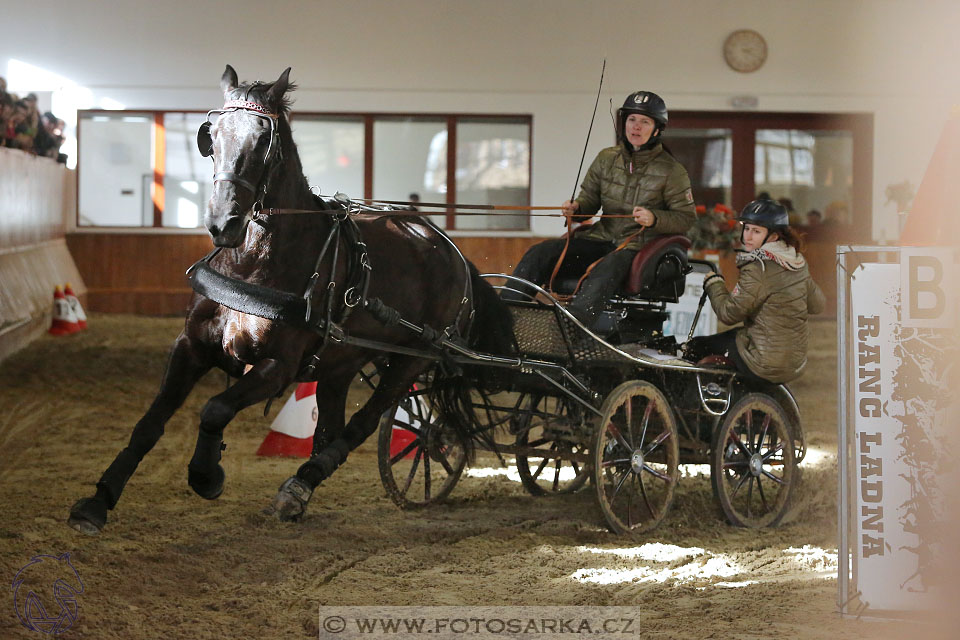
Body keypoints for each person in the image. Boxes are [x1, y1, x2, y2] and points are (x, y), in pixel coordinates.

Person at [508, 90, 695, 326]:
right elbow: (589, 202)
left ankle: (571, 331)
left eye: (645, 122)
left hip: (637, 247)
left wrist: (655, 218)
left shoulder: (672, 171)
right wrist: (575, 209)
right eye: (632, 120)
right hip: (601, 238)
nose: (636, 127)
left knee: (606, 269)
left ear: (657, 129)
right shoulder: (606, 159)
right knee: (540, 252)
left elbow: (686, 219)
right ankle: (508, 318)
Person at [684, 199, 825, 384]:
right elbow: (818, 305)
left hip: (763, 361)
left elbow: (728, 313)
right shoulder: (796, 262)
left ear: (774, 236)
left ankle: (695, 403)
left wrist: (714, 283)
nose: (748, 236)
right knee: (734, 337)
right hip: (795, 362)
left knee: (697, 347)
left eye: (756, 231)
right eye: (747, 228)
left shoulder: (759, 268)